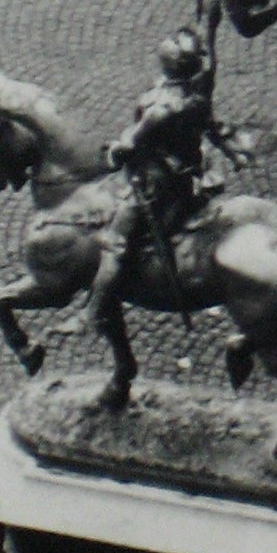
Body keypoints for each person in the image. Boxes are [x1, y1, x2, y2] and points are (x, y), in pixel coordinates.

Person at [87, 26, 216, 329]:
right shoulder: (198, 93)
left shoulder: (160, 109)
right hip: (186, 173)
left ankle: (93, 310)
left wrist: (114, 152)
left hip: (158, 184)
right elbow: (209, 61)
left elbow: (131, 145)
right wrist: (209, 26)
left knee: (116, 240)